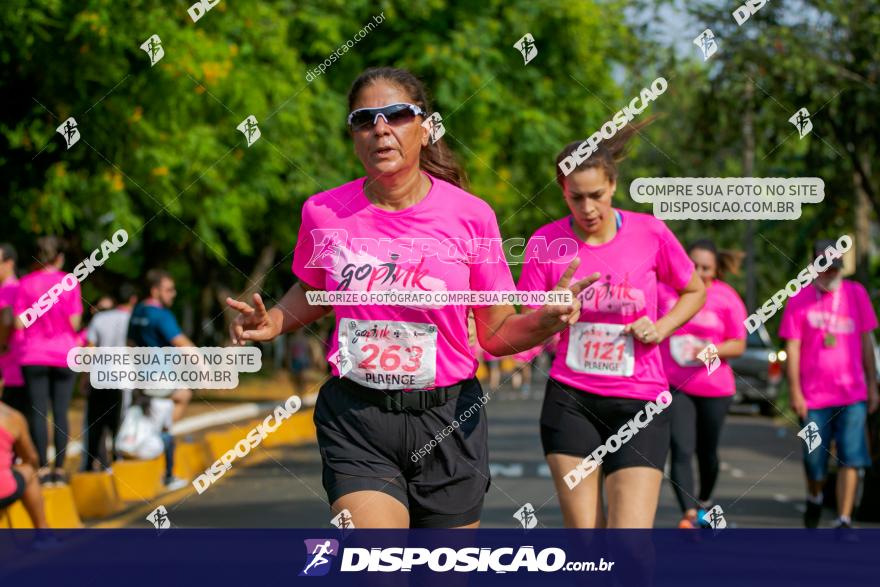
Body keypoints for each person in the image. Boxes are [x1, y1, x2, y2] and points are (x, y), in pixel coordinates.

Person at [227, 66, 596, 529]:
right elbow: (316, 287)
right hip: (358, 417)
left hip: (448, 419)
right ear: (354, 135)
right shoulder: (323, 212)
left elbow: (496, 332)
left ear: (425, 128)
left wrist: (545, 321)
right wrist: (274, 321)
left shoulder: (471, 216)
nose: (380, 129)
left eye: (397, 115)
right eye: (364, 119)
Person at [517, 123, 706, 528]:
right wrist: (551, 313)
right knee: (585, 542)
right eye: (576, 197)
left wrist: (662, 326)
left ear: (613, 185)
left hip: (640, 402)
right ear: (562, 192)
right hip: (571, 400)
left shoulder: (650, 233)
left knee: (629, 544)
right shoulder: (545, 244)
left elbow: (694, 290)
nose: (587, 209)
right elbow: (527, 325)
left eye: (596, 196)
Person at [780, 239, 878, 528]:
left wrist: (873, 385)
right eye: (824, 268)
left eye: (835, 268)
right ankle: (814, 497)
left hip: (852, 394)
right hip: (813, 398)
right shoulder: (799, 299)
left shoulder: (856, 294)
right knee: (814, 461)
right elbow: (793, 348)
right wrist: (795, 391)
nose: (830, 274)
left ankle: (844, 518)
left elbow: (866, 342)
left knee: (852, 455)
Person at [658, 239, 746, 528]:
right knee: (681, 448)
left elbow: (738, 344)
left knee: (707, 452)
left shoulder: (727, 297)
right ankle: (689, 514)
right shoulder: (666, 292)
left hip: (715, 387)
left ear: (716, 269)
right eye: (693, 264)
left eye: (706, 267)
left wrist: (709, 352)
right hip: (675, 385)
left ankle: (704, 500)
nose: (698, 271)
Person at [13, 237, 83, 485]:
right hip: (63, 353)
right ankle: (60, 470)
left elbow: (19, 322)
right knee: (61, 412)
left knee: (38, 412)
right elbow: (75, 323)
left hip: (33, 354)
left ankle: (42, 468)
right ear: (59, 258)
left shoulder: (24, 284)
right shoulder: (69, 283)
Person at [127, 270, 193, 491]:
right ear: (155, 291)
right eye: (168, 289)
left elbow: (130, 344)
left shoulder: (137, 312)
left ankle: (163, 463)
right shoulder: (162, 315)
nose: (173, 294)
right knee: (178, 404)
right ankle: (167, 472)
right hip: (160, 380)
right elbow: (183, 344)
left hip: (141, 378)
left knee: (159, 418)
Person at [81, 283, 137, 472]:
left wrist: (84, 377)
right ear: (133, 300)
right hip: (123, 378)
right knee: (119, 421)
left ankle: (90, 464)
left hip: (100, 376)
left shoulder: (100, 318)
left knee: (95, 422)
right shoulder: (132, 319)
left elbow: (89, 349)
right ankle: (116, 460)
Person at [0, 400, 49, 528]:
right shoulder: (11, 416)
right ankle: (43, 533)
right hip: (3, 490)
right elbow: (31, 458)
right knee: (29, 470)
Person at [0, 243, 27, 416]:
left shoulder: (8, 289)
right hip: (18, 362)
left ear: (9, 263)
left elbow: (6, 319)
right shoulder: (19, 287)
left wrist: (1, 343)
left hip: (8, 362)